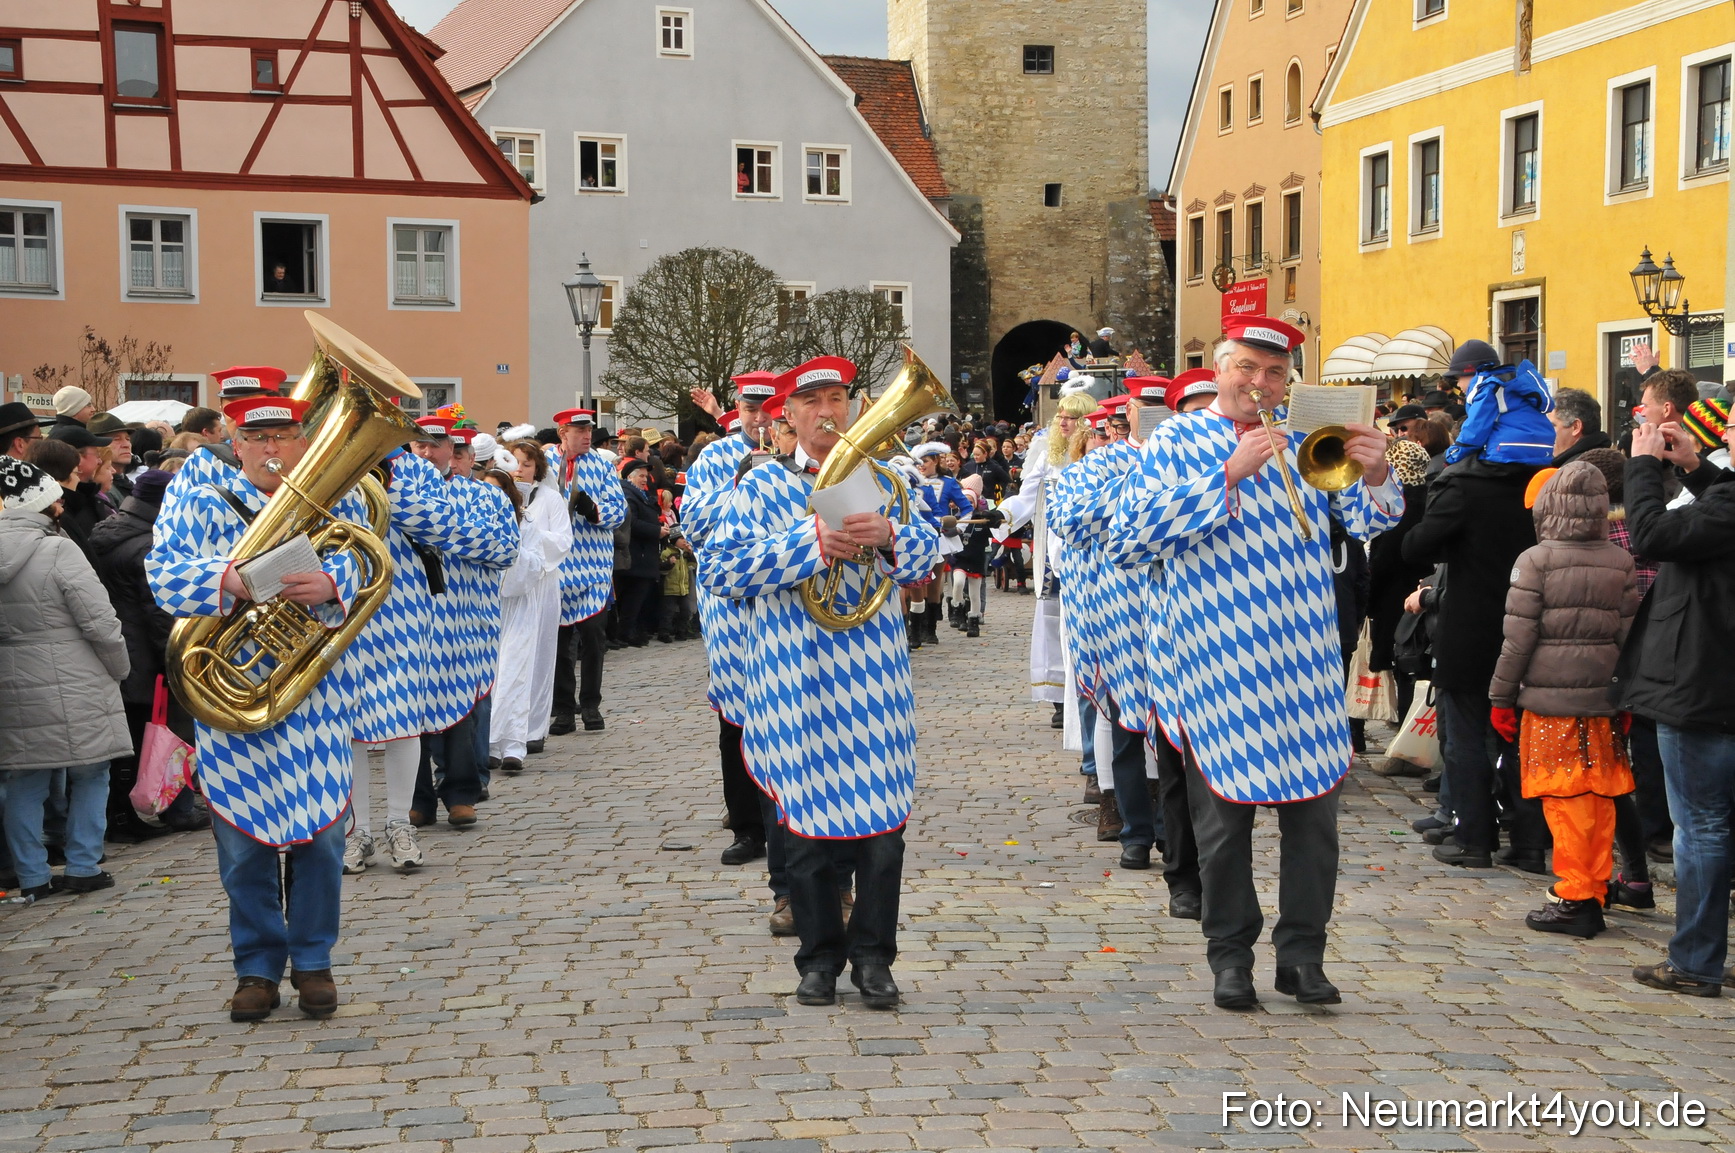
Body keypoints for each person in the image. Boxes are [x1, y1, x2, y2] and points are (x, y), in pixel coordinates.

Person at [1109, 316, 1402, 1010]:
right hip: (1214, 664)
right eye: (1246, 368)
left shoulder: (1305, 442)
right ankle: (1230, 957)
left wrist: (1378, 471)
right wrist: (1226, 475)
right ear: (1218, 368)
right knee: (1222, 825)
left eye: (1273, 373)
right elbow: (1128, 537)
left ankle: (1302, 955)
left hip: (1300, 663)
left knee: (1314, 822)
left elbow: (1369, 524)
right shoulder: (1175, 440)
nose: (1259, 384)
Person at [701, 355, 941, 1009]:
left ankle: (873, 958)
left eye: (836, 398)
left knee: (881, 832)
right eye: (811, 402)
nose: (827, 412)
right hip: (792, 677)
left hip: (872, 679)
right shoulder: (758, 486)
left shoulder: (885, 480)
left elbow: (927, 555)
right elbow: (722, 569)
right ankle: (817, 959)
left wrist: (891, 536)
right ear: (788, 415)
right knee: (803, 828)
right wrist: (810, 543)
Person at [146, 395, 369, 1021]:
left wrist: (334, 584)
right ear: (235, 443)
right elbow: (162, 573)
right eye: (258, 437)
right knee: (243, 844)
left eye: (285, 435)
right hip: (231, 702)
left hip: (314, 698)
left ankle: (315, 961)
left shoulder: (341, 496)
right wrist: (229, 580)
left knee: (322, 838)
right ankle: (256, 967)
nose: (273, 449)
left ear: (303, 440)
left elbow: (366, 558)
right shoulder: (199, 499)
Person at [1401, 358, 1550, 873]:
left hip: (1473, 626)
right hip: (1537, 629)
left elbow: (1417, 545)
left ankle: (1475, 838)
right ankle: (1531, 843)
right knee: (1526, 737)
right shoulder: (1553, 482)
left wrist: (1427, 490)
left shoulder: (1465, 484)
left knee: (1466, 736)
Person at [1488, 462, 1639, 938]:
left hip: (1550, 702)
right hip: (1603, 700)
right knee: (1598, 796)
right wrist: (1627, 695)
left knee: (1563, 798)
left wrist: (1500, 697)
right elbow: (1628, 635)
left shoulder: (1535, 560)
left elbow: (1518, 640)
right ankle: (1591, 885)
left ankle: (1575, 894)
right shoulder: (1620, 559)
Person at [1618, 413, 1735, 997]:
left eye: (1734, 428)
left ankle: (1695, 961)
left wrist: (1643, 466)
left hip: (1704, 685)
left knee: (1703, 829)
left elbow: (1651, 537)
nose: (1726, 436)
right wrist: (1694, 465)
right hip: (1711, 684)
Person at [0, 457, 132, 901]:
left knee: (25, 780)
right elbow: (99, 621)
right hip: (77, 676)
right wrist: (119, 668)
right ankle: (82, 865)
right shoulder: (57, 549)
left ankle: (33, 876)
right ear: (44, 503)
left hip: (13, 681)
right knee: (92, 773)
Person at [685, 375, 781, 881]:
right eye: (751, 409)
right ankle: (746, 826)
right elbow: (695, 525)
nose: (760, 419)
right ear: (737, 410)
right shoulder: (713, 458)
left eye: (768, 410)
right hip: (728, 609)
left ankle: (783, 820)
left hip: (783, 603)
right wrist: (741, 481)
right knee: (735, 715)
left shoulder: (790, 454)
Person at [86, 464, 210, 841]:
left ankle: (148, 807)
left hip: (124, 649)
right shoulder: (148, 545)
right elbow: (159, 614)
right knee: (172, 731)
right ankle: (177, 807)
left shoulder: (108, 528)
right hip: (149, 654)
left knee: (141, 736)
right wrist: (179, 663)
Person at [407, 422, 518, 828]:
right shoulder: (397, 494)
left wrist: (441, 530)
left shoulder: (485, 494)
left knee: (461, 709)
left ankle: (460, 792)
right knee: (411, 711)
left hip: (466, 617)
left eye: (436, 446)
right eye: (418, 445)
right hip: (411, 618)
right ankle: (417, 798)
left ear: (453, 450)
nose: (426, 453)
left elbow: (506, 549)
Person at [999, 391, 1097, 729]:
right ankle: (1059, 697)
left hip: (1085, 550)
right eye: (1061, 416)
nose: (1064, 422)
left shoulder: (1095, 457)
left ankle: (1086, 691)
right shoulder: (1049, 457)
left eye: (1073, 417)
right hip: (1052, 551)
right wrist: (997, 517)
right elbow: (1026, 499)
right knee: (1053, 621)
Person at [490, 440, 573, 774]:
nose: (521, 469)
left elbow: (563, 540)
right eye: (517, 463)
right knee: (508, 659)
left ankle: (533, 728)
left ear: (537, 467)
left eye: (527, 464)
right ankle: (502, 735)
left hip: (542, 580)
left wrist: (533, 534)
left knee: (539, 654)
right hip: (510, 586)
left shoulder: (550, 499)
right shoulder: (499, 495)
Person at [546, 410, 627, 735]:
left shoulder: (602, 465)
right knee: (559, 642)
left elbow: (620, 510)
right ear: (562, 432)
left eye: (588, 430)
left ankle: (591, 704)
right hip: (555, 565)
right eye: (579, 430)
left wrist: (594, 510)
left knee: (594, 638)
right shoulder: (545, 463)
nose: (586, 435)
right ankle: (563, 709)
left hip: (592, 566)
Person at [616, 459, 664, 646]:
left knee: (639, 597)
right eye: (642, 476)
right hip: (636, 555)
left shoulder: (641, 495)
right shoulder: (629, 495)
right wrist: (656, 531)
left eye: (646, 476)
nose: (646, 479)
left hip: (644, 554)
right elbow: (632, 523)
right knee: (632, 598)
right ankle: (626, 632)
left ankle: (633, 631)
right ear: (630, 477)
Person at [1549, 388, 1612, 467]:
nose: (1545, 433)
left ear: (1576, 427)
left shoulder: (1578, 471)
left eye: (1551, 426)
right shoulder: (1606, 460)